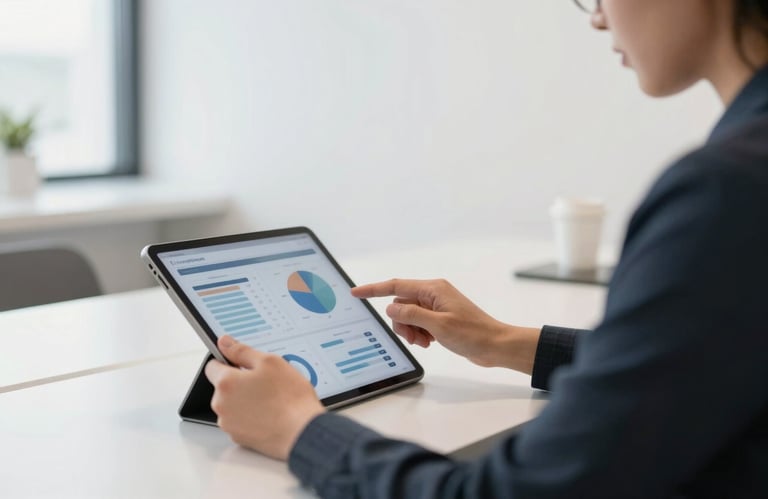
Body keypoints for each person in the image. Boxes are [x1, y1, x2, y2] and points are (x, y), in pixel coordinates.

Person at [204, 1, 768, 497]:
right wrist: (503, 342)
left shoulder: (728, 191)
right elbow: (716, 364)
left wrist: (300, 430)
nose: (598, 18)